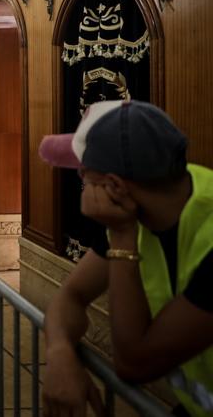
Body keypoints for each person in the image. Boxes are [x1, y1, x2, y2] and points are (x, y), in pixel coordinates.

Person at [39, 100, 213, 417]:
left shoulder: (127, 224)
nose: (84, 189)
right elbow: (72, 295)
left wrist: (121, 235)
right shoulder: (162, 195)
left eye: (86, 179)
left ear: (115, 186)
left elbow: (135, 363)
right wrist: (60, 352)